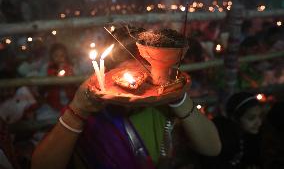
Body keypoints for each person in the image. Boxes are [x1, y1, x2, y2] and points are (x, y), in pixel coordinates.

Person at [31, 26, 221, 169]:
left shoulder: (163, 99)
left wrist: (178, 98)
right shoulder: (90, 104)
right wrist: (78, 111)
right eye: (129, 74)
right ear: (109, 73)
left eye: (146, 72)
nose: (138, 82)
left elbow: (212, 148)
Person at [201, 92, 264, 169]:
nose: (259, 122)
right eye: (251, 118)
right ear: (235, 118)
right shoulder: (222, 139)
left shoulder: (251, 136)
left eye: (260, 116)